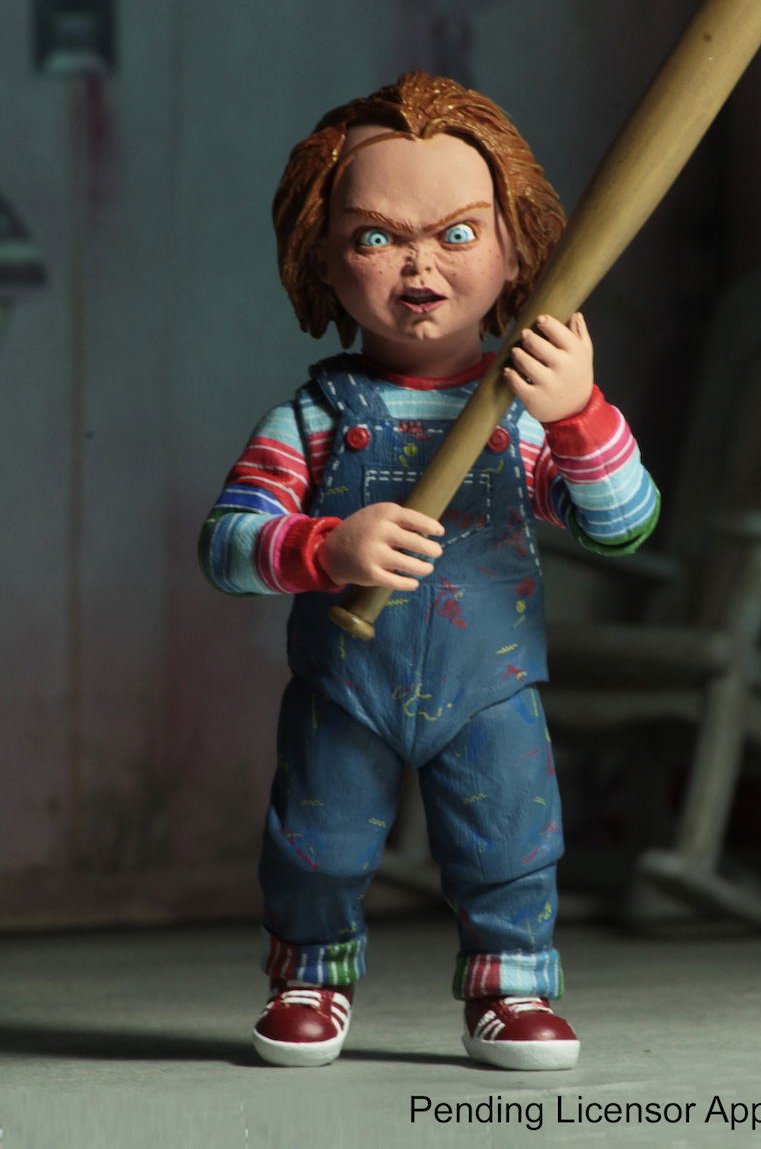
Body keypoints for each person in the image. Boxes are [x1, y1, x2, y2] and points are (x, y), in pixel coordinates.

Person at [200, 71, 659, 1070]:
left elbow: (622, 524)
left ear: (515, 249)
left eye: (457, 233)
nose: (419, 267)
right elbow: (228, 544)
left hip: (488, 683)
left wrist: (579, 414)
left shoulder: (525, 414)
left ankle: (512, 985)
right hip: (345, 683)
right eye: (375, 237)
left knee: (510, 844)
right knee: (316, 845)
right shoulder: (315, 418)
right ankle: (309, 974)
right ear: (320, 255)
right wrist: (324, 547)